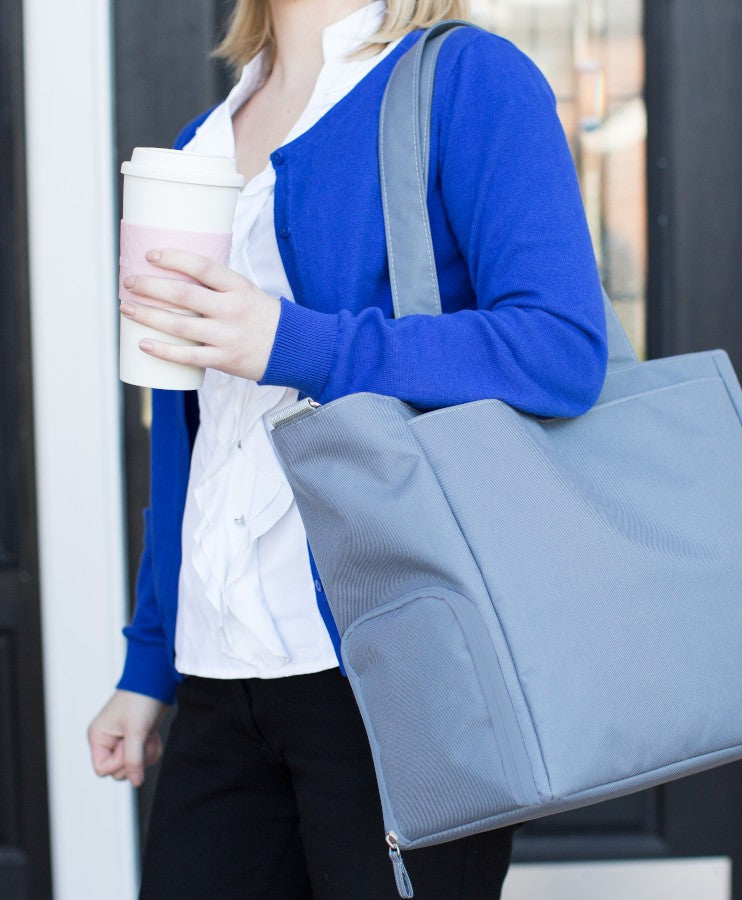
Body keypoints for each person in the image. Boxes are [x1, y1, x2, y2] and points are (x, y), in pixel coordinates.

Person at [88, 0, 608, 896]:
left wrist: (295, 343)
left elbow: (560, 348)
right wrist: (149, 662)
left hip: (399, 672)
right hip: (220, 673)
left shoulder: (467, 80)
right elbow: (191, 439)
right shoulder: (202, 141)